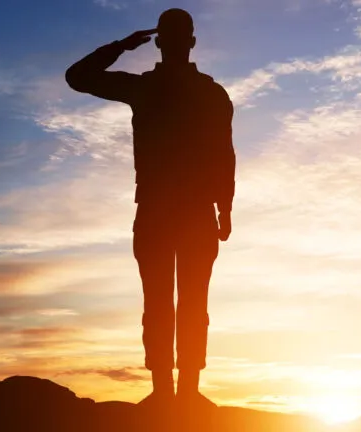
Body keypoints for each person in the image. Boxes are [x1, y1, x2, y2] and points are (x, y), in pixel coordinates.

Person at [65, 8, 235, 410]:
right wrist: (224, 208)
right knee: (188, 301)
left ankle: (172, 390)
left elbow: (78, 76)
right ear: (191, 42)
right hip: (188, 213)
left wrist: (121, 47)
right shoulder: (209, 93)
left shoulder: (146, 88)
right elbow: (224, 156)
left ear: (158, 42)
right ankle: (179, 391)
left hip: (163, 211)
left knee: (162, 301)